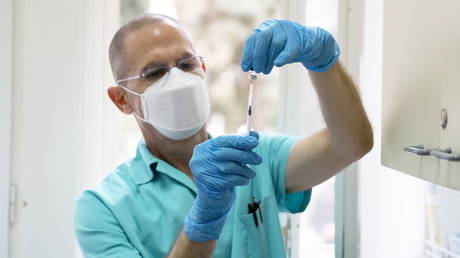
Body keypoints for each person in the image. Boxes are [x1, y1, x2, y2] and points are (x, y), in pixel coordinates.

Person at [74, 13, 373, 258]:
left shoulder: (254, 157)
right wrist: (203, 220)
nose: (177, 81)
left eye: (185, 64)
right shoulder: (103, 208)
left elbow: (350, 144)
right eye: (154, 73)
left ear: (202, 69)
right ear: (121, 100)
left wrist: (323, 62)